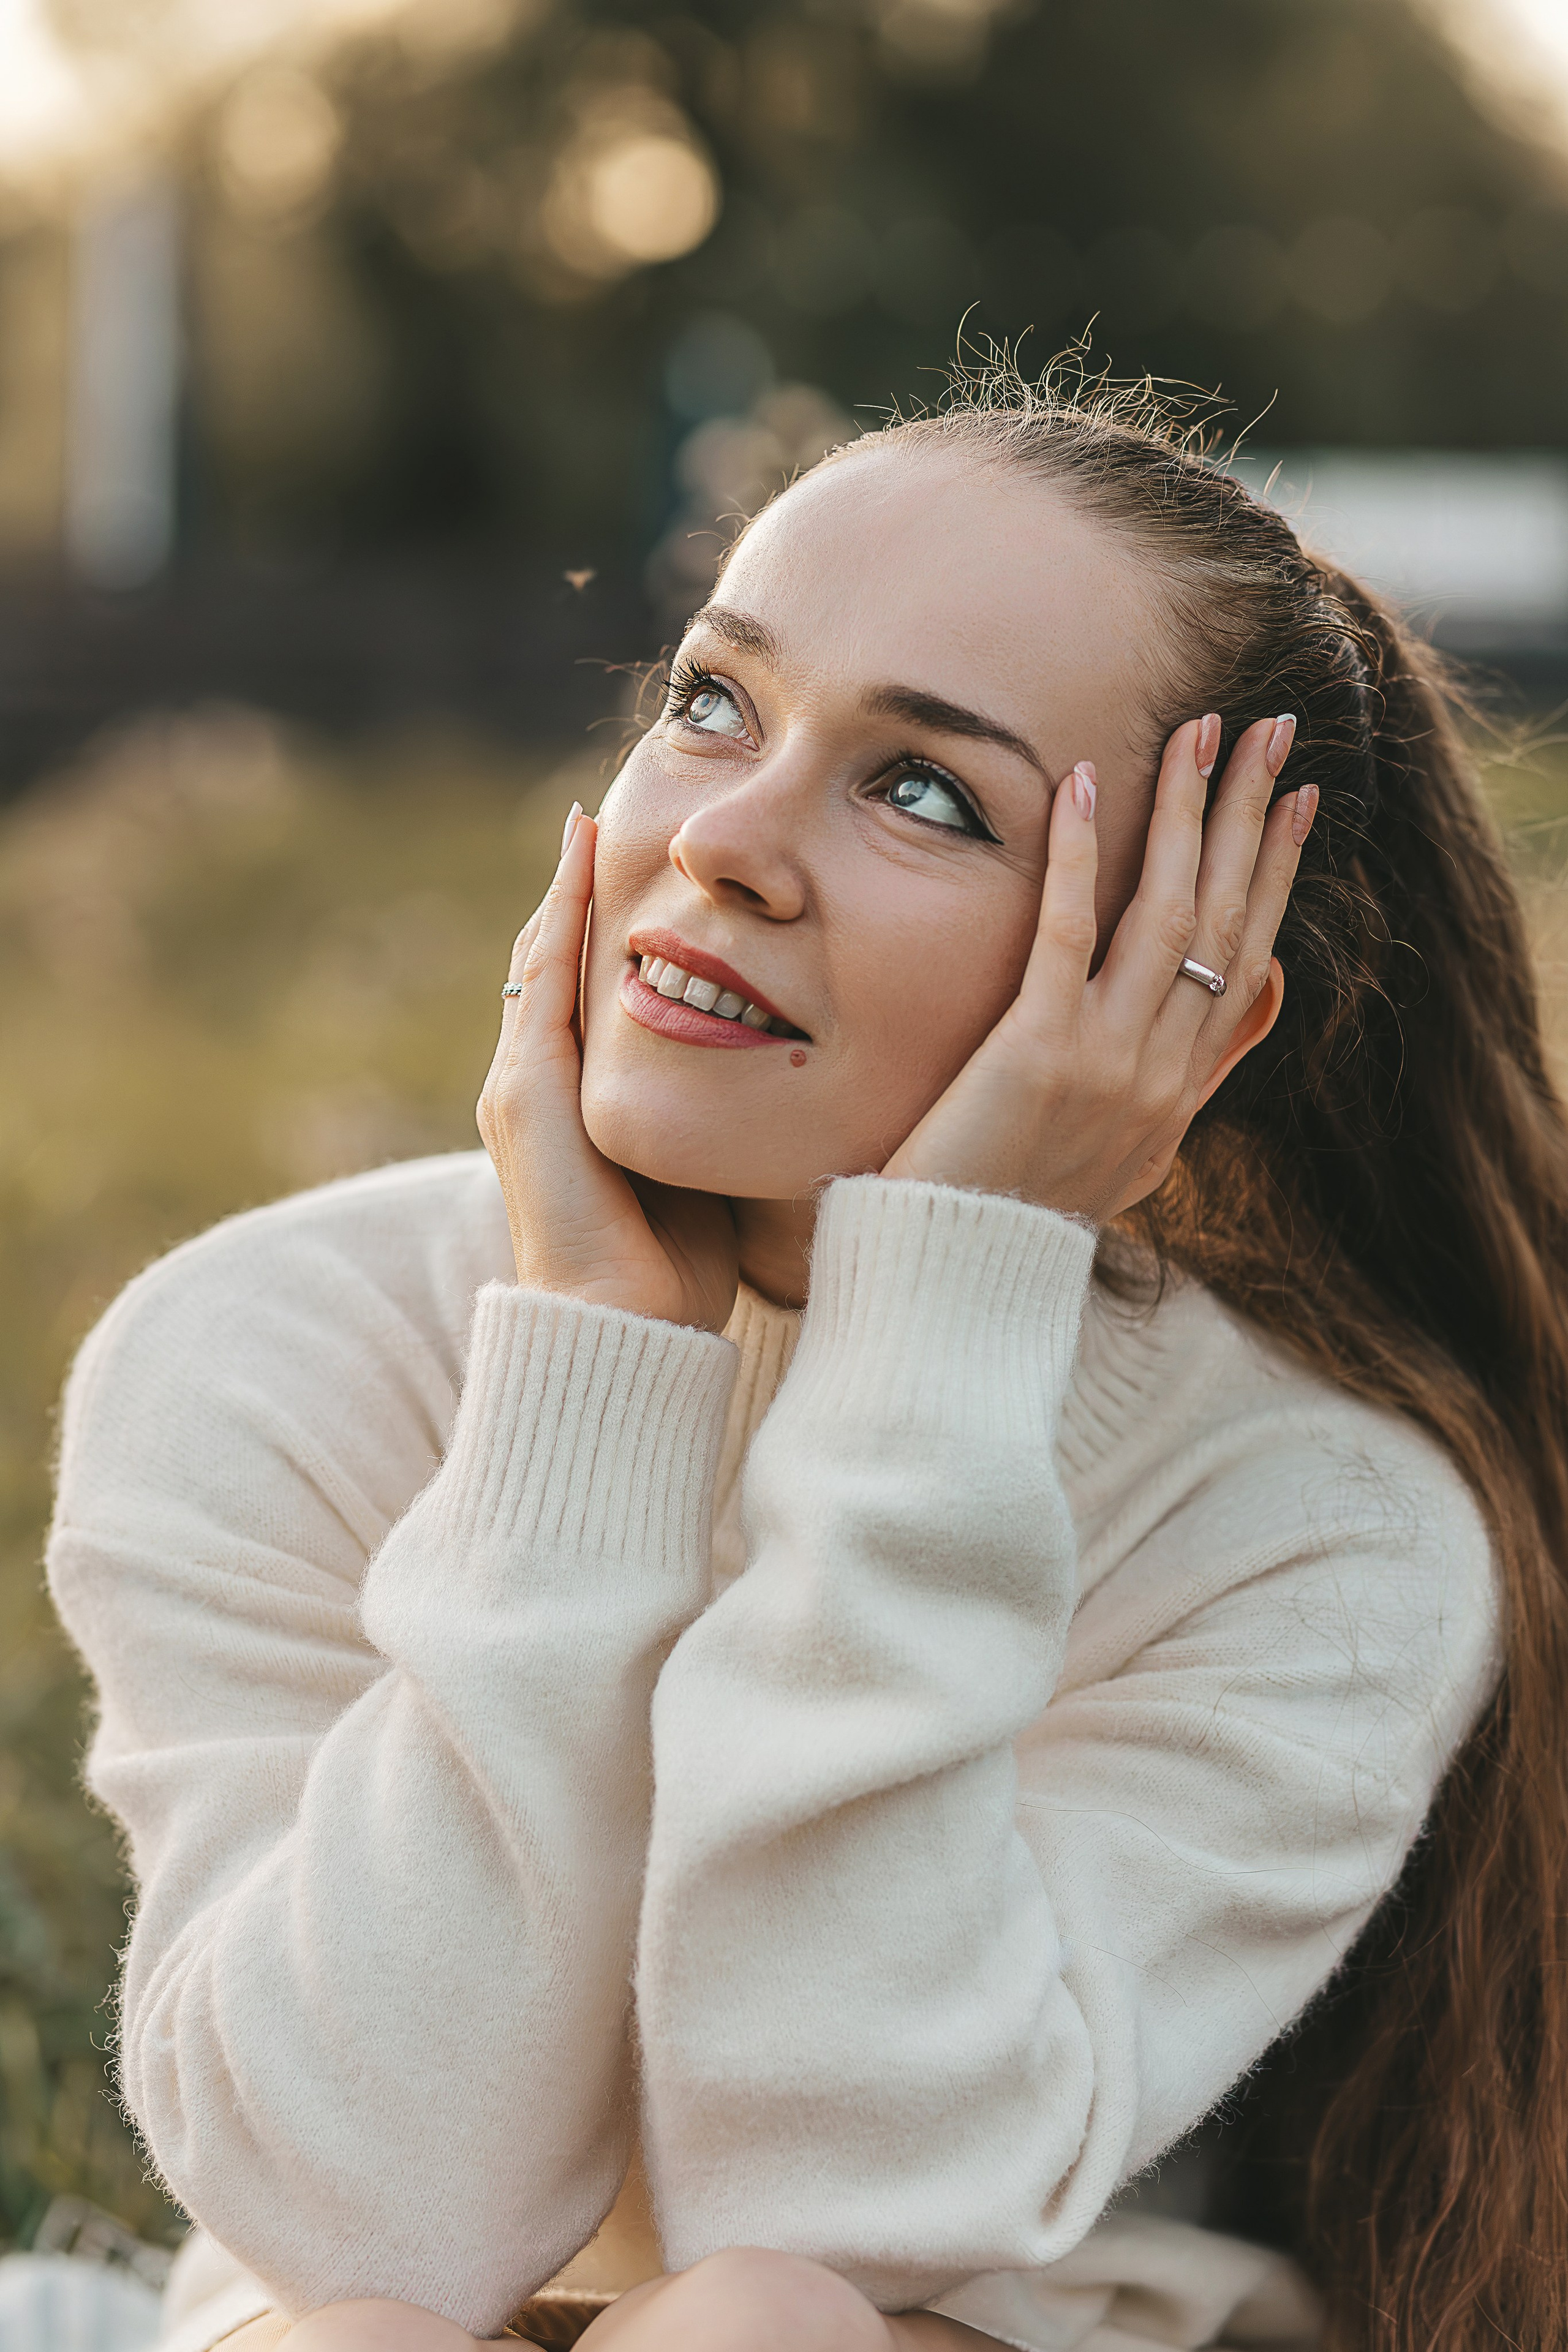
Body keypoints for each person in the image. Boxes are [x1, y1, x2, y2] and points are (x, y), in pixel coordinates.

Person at [46, 365, 1568, 2352]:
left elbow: (838, 2208)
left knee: (756, 2324)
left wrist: (935, 1345)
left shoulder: (1321, 1522)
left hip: (969, 2328)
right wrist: (593, 1371)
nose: (729, 841)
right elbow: (364, 2217)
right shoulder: (268, 1348)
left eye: (924, 792)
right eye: (714, 703)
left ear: (1183, 1001)